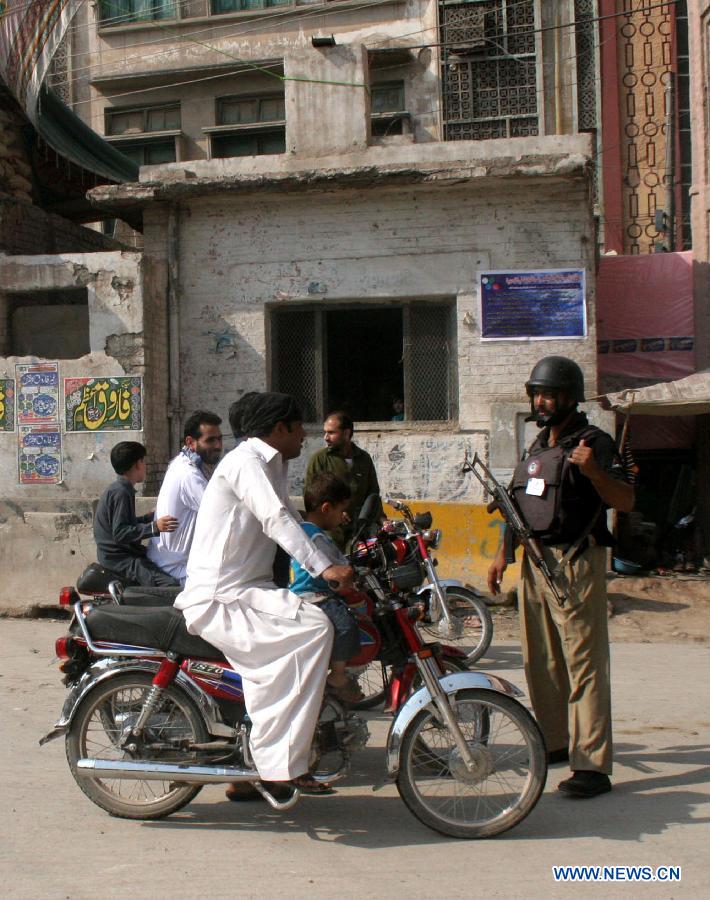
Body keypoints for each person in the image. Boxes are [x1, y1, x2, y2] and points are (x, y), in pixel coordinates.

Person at [174, 392, 353, 795]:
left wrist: (330, 556)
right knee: (314, 629)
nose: (306, 437)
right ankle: (277, 763)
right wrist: (325, 568)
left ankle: (277, 757)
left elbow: (289, 517)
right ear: (279, 429)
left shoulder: (271, 465)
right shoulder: (245, 463)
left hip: (248, 592)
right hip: (222, 598)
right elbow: (275, 519)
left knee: (309, 625)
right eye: (299, 427)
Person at [487, 356, 634, 799]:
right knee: (541, 661)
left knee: (584, 666)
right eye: (537, 393)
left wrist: (593, 470)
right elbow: (519, 507)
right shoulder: (538, 447)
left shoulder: (596, 443)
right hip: (534, 563)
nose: (542, 401)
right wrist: (501, 555)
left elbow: (624, 500)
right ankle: (553, 742)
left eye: (549, 394)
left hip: (575, 563)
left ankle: (591, 766)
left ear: (570, 397)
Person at [289, 472, 363, 705]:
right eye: (341, 510)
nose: (344, 516)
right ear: (326, 508)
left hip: (312, 592)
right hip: (312, 595)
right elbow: (337, 565)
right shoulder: (316, 536)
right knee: (345, 624)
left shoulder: (307, 531)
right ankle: (338, 675)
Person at [146, 411, 223, 584]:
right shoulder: (189, 475)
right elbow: (221, 513)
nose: (218, 445)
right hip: (176, 569)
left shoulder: (181, 463)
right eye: (210, 440)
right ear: (190, 442)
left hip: (171, 561)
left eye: (219, 439)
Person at [94, 441, 180, 587]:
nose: (145, 466)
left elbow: (124, 523)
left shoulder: (119, 488)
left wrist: (146, 518)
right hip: (119, 559)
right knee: (170, 585)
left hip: (118, 555)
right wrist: (154, 527)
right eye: (143, 461)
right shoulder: (121, 492)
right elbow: (120, 533)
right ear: (137, 464)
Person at [305, 411, 382, 551]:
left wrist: (381, 519)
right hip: (330, 534)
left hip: (359, 533)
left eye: (331, 433)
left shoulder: (364, 459)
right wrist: (336, 512)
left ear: (346, 433)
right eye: (325, 432)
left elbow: (373, 494)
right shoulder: (320, 459)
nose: (326, 437)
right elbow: (310, 497)